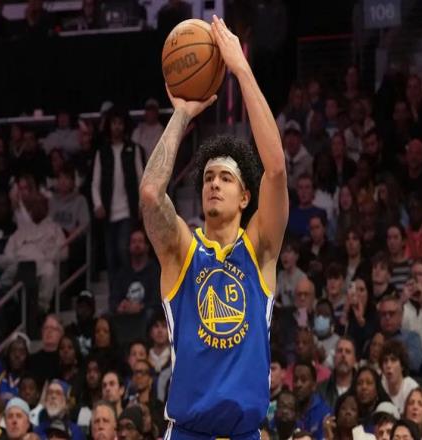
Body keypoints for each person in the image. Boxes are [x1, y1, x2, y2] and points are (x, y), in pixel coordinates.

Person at [139, 16, 289, 439]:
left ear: (244, 197)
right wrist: (182, 113)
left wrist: (241, 69)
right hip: (189, 431)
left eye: (225, 178)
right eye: (207, 178)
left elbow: (276, 169)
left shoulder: (259, 247)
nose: (214, 184)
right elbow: (150, 193)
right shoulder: (183, 251)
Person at [91, 105, 145, 306]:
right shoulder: (102, 152)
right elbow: (95, 182)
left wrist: (141, 205)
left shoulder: (134, 149)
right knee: (111, 258)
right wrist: (98, 204)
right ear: (109, 126)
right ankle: (115, 299)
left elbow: (141, 178)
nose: (117, 127)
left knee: (124, 251)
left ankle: (130, 292)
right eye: (114, 123)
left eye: (120, 123)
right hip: (108, 213)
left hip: (127, 211)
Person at [293, 360, 331, 440]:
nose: (298, 384)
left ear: (314, 385)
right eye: (295, 380)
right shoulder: (288, 408)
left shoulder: (325, 412)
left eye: (303, 380)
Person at [379, 339, 419, 414]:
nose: (388, 365)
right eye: (385, 361)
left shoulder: (412, 388)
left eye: (393, 360)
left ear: (402, 366)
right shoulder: (379, 385)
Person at [318, 337, 356, 409]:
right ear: (334, 357)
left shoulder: (360, 390)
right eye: (339, 351)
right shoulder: (321, 389)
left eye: (348, 352)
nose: (343, 355)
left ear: (354, 360)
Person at [283, 121, 313, 192]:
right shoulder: (279, 159)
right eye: (288, 135)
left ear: (300, 139)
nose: (291, 139)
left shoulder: (309, 161)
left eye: (295, 135)